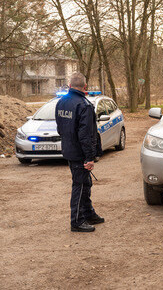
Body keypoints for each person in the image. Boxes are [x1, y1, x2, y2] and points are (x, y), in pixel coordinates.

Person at [56, 72, 104, 232]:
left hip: (69, 150)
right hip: (80, 153)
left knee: (85, 183)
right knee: (80, 185)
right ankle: (76, 221)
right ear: (85, 87)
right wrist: (89, 157)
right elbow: (86, 134)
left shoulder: (61, 102)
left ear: (69, 86)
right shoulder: (85, 105)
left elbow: (60, 127)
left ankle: (88, 213)